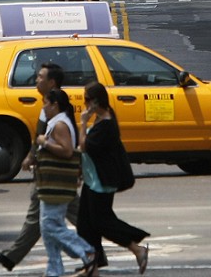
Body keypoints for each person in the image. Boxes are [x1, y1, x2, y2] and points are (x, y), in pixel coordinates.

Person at [0, 62, 86, 272]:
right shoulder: (49, 105)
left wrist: (36, 152)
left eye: (40, 76)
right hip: (49, 175)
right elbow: (41, 136)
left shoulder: (56, 106)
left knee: (51, 224)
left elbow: (62, 142)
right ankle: (26, 261)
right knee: (45, 222)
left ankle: (91, 253)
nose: (36, 79)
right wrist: (32, 155)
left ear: (51, 82)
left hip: (55, 176)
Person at [77, 82, 149, 276]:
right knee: (85, 224)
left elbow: (84, 146)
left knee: (102, 222)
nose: (84, 105)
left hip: (101, 182)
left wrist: (83, 122)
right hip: (92, 180)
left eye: (86, 100)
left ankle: (136, 248)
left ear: (95, 102)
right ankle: (92, 266)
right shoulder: (102, 118)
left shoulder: (106, 124)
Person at [36, 88, 96, 277]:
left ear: (55, 105)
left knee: (50, 226)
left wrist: (45, 143)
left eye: (46, 103)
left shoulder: (60, 124)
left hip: (57, 184)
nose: (43, 107)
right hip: (51, 185)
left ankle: (86, 251)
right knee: (47, 228)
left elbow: (67, 151)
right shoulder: (57, 122)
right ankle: (54, 269)